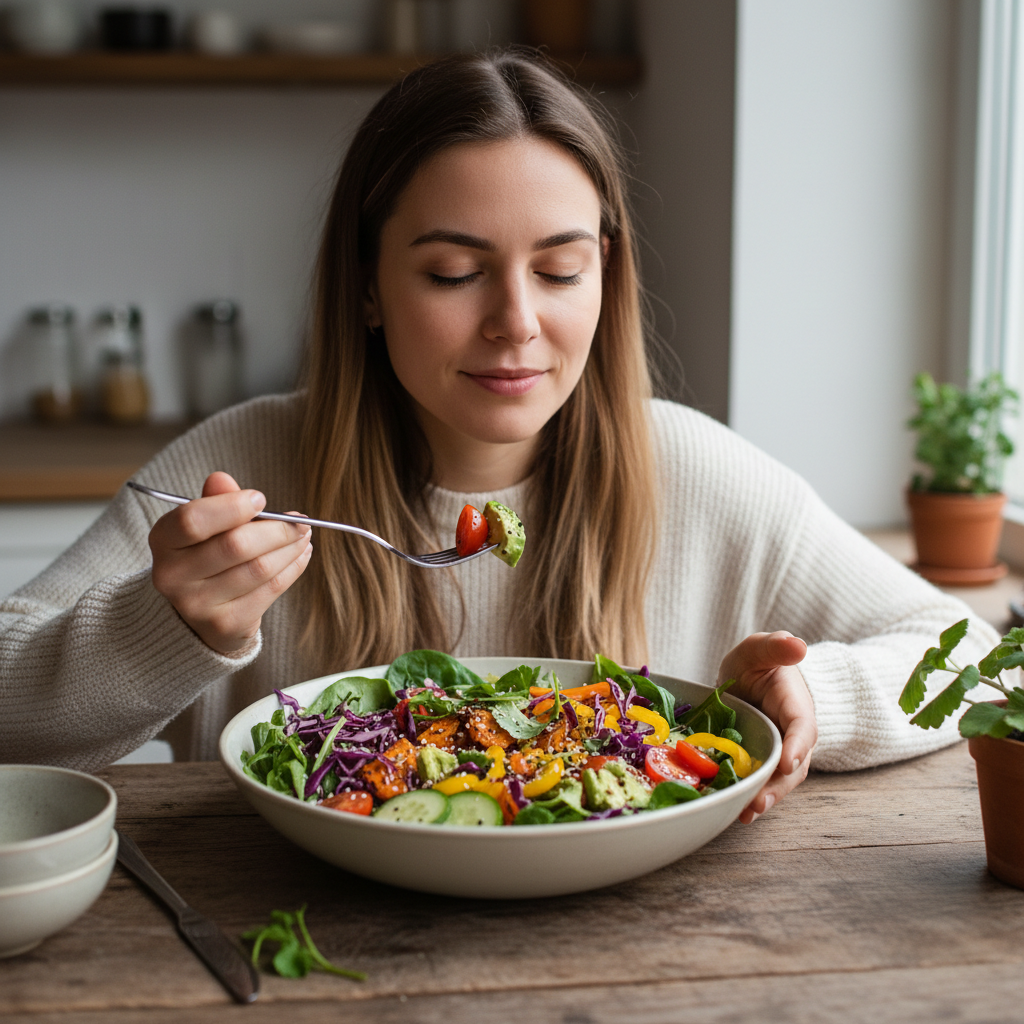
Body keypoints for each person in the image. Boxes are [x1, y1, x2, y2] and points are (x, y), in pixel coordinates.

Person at [0, 49, 998, 823]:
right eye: (451, 272)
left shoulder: (695, 470)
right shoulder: (247, 467)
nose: (516, 320)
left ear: (606, 275)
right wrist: (167, 626)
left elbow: (975, 661)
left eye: (560, 271)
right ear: (366, 285)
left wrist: (812, 694)